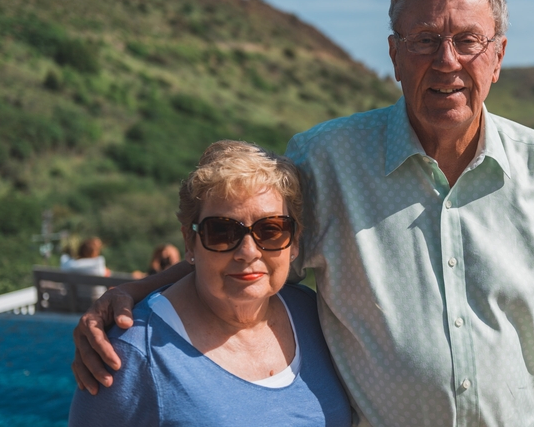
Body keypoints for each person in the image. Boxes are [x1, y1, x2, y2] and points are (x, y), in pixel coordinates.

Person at [72, 0, 534, 427]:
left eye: (467, 41)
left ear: (496, 58)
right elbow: (248, 239)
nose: (446, 59)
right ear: (395, 56)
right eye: (424, 39)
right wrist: (139, 291)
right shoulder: (325, 159)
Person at [68, 141, 352, 426]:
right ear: (190, 242)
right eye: (222, 231)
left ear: (295, 241)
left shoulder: (314, 316)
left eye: (271, 229)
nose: (248, 252)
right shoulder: (133, 354)